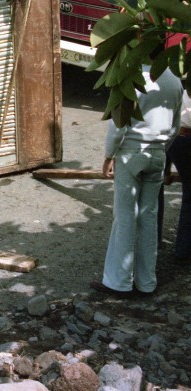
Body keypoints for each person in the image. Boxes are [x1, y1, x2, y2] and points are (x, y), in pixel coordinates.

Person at [93, 63, 183, 297]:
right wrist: (161, 149)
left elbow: (118, 124)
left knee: (124, 217)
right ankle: (147, 282)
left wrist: (109, 155)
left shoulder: (132, 76)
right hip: (158, 152)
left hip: (131, 152)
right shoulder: (174, 80)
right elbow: (175, 126)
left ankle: (119, 282)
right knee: (149, 218)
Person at [165, 90, 191, 262]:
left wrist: (166, 169)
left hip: (176, 138)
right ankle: (183, 250)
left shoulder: (182, 89)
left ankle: (182, 249)